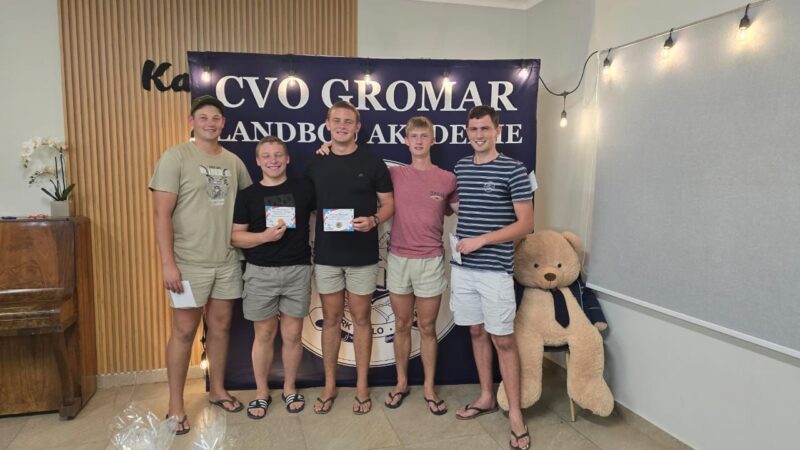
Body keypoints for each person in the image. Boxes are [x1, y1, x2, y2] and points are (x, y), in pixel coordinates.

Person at [317, 116, 458, 415]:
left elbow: (455, 210)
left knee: (429, 326)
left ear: (432, 140)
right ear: (405, 141)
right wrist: (327, 147)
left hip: (431, 260)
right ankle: (401, 383)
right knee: (402, 325)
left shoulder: (447, 179)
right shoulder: (392, 174)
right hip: (397, 259)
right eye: (413, 137)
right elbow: (356, 172)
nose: (418, 142)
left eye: (424, 136)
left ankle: (430, 388)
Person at [150, 95, 252, 434]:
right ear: (192, 121)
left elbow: (250, 208)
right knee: (183, 332)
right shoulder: (175, 157)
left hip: (226, 261)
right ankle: (175, 406)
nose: (211, 122)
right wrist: (168, 264)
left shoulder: (235, 162)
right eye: (203, 117)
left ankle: (217, 389)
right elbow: (161, 214)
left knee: (221, 328)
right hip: (188, 264)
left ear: (223, 123)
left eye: (216, 118)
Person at [451, 105, 535, 450]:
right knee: (476, 331)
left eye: (484, 129)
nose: (478, 135)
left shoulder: (513, 169)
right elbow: (462, 204)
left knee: (503, 340)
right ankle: (486, 395)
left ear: (497, 130)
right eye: (473, 129)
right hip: (463, 269)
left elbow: (526, 224)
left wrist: (483, 240)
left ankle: (515, 414)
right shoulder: (460, 167)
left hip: (496, 270)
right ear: (467, 132)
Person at [305, 101, 395, 415]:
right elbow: (308, 206)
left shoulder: (373, 163)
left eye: (349, 122)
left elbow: (388, 205)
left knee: (361, 321)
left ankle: (361, 386)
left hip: (363, 256)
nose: (342, 126)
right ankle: (329, 385)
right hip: (328, 256)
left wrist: (374, 220)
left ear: (357, 127)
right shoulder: (317, 162)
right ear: (328, 124)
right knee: (330, 320)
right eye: (337, 121)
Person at [231, 136, 315, 418]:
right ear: (257, 161)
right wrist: (263, 237)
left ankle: (290, 387)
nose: (273, 160)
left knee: (292, 335)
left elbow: (330, 208)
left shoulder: (304, 188)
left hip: (297, 270)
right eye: (266, 156)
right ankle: (261, 392)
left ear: (288, 158)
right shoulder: (247, 195)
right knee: (264, 334)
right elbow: (235, 237)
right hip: (260, 272)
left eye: (278, 155)